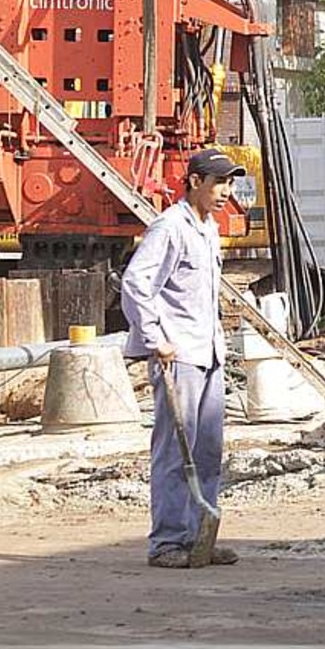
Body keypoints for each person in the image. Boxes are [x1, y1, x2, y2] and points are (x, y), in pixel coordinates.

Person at [122, 148, 246, 569]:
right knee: (176, 449)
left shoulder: (207, 229)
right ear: (195, 182)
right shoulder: (170, 227)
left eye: (230, 183)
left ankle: (199, 537)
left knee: (207, 449)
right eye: (219, 183)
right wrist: (156, 338)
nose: (226, 192)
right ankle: (168, 541)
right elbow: (137, 284)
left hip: (208, 351)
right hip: (179, 355)